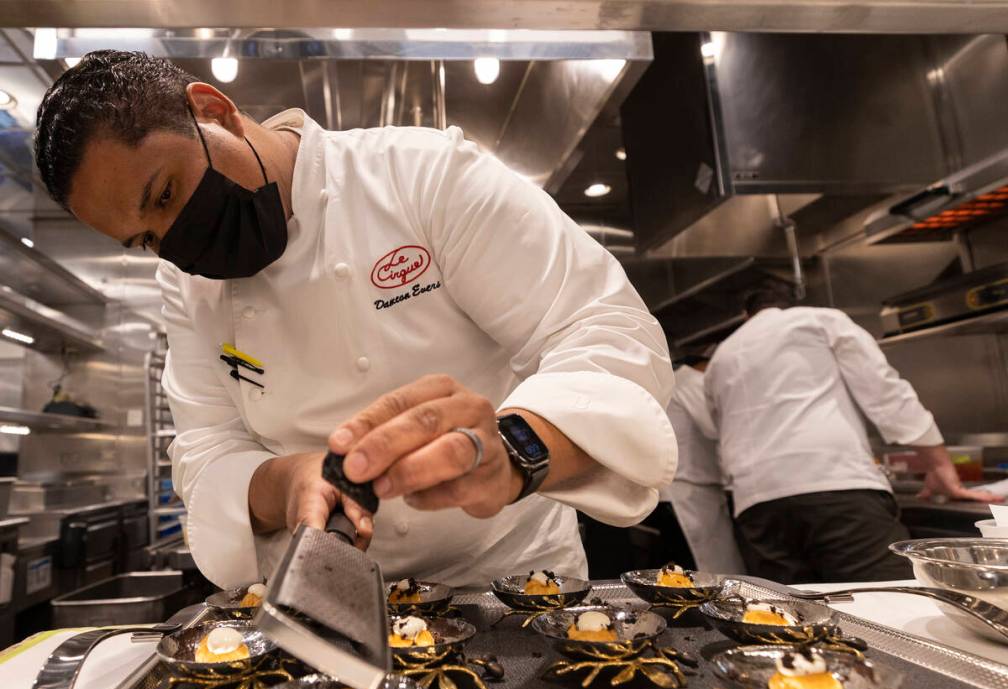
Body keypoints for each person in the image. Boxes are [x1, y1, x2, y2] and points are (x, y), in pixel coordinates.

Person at [34, 51, 678, 589]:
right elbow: (206, 450)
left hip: (512, 588)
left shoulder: (422, 176)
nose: (176, 243)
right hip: (339, 600)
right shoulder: (185, 286)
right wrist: (287, 481)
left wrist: (513, 450)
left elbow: (605, 329)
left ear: (213, 109)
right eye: (146, 238)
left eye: (167, 194)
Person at [704, 285, 1001, 583]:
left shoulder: (720, 357)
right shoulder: (818, 320)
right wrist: (939, 465)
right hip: (835, 487)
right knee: (885, 602)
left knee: (793, 613)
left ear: (746, 315)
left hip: (756, 506)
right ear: (790, 305)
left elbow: (720, 431)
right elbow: (886, 394)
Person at [659, 355, 745, 574]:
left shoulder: (668, 381)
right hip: (688, 495)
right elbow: (721, 426)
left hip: (673, 495)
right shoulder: (688, 381)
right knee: (705, 576)